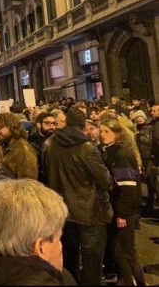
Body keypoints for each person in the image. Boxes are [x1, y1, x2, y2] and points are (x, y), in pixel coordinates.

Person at [42, 107, 112, 285]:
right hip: (89, 212)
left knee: (68, 258)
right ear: (82, 125)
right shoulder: (86, 147)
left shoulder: (50, 144)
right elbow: (104, 180)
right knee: (92, 261)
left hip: (62, 210)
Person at [99, 119, 146, 286]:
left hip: (125, 212)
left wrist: (122, 214)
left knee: (126, 251)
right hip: (120, 208)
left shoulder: (122, 154)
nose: (102, 134)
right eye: (101, 131)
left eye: (107, 132)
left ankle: (136, 282)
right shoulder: (110, 151)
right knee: (120, 250)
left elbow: (128, 187)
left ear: (117, 135)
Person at [0, 112, 38, 180]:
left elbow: (28, 182)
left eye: (0, 127)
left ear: (12, 126)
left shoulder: (23, 150)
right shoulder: (4, 145)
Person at [28, 112, 57, 184]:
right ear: (39, 125)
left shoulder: (57, 140)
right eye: (47, 123)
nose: (52, 127)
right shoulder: (32, 143)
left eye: (54, 123)